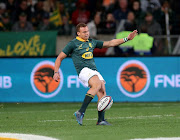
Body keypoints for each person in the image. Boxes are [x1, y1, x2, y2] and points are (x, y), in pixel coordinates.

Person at [53, 23, 137, 125]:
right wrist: (56, 72)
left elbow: (110, 43)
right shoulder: (73, 44)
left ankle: (100, 120)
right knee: (97, 84)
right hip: (83, 70)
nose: (87, 33)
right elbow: (60, 57)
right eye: (84, 32)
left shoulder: (92, 42)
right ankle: (80, 112)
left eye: (87, 31)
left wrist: (126, 39)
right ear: (78, 33)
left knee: (102, 91)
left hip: (93, 70)